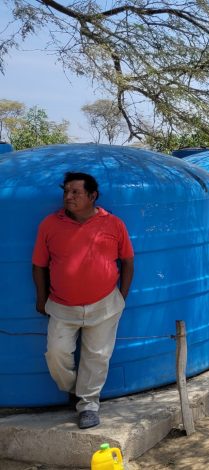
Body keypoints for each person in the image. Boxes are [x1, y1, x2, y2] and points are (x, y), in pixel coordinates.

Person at [32, 172, 134, 429]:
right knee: (56, 353)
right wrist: (41, 298)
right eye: (66, 191)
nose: (68, 197)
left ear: (92, 195)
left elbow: (128, 261)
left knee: (97, 356)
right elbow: (38, 265)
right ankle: (73, 389)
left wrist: (121, 296)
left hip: (105, 304)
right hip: (62, 305)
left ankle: (88, 405)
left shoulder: (113, 223)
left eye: (75, 192)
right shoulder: (50, 224)